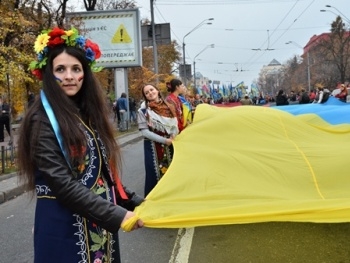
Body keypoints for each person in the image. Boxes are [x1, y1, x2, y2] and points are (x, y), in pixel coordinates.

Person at [18, 26, 144, 263]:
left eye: (76, 69)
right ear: (48, 73)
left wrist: (137, 201)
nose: (69, 76)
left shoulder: (85, 114)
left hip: (97, 223)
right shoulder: (42, 119)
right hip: (63, 228)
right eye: (60, 69)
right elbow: (62, 184)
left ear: (85, 73)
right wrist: (118, 216)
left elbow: (102, 173)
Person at [137, 84, 179, 196]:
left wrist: (173, 135)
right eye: (147, 93)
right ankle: (154, 201)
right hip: (153, 147)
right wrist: (164, 140)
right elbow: (144, 132)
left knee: (171, 172)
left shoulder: (170, 106)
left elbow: (175, 125)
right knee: (154, 174)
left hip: (170, 145)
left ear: (157, 90)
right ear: (145, 96)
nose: (150, 93)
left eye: (151, 90)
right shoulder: (143, 111)